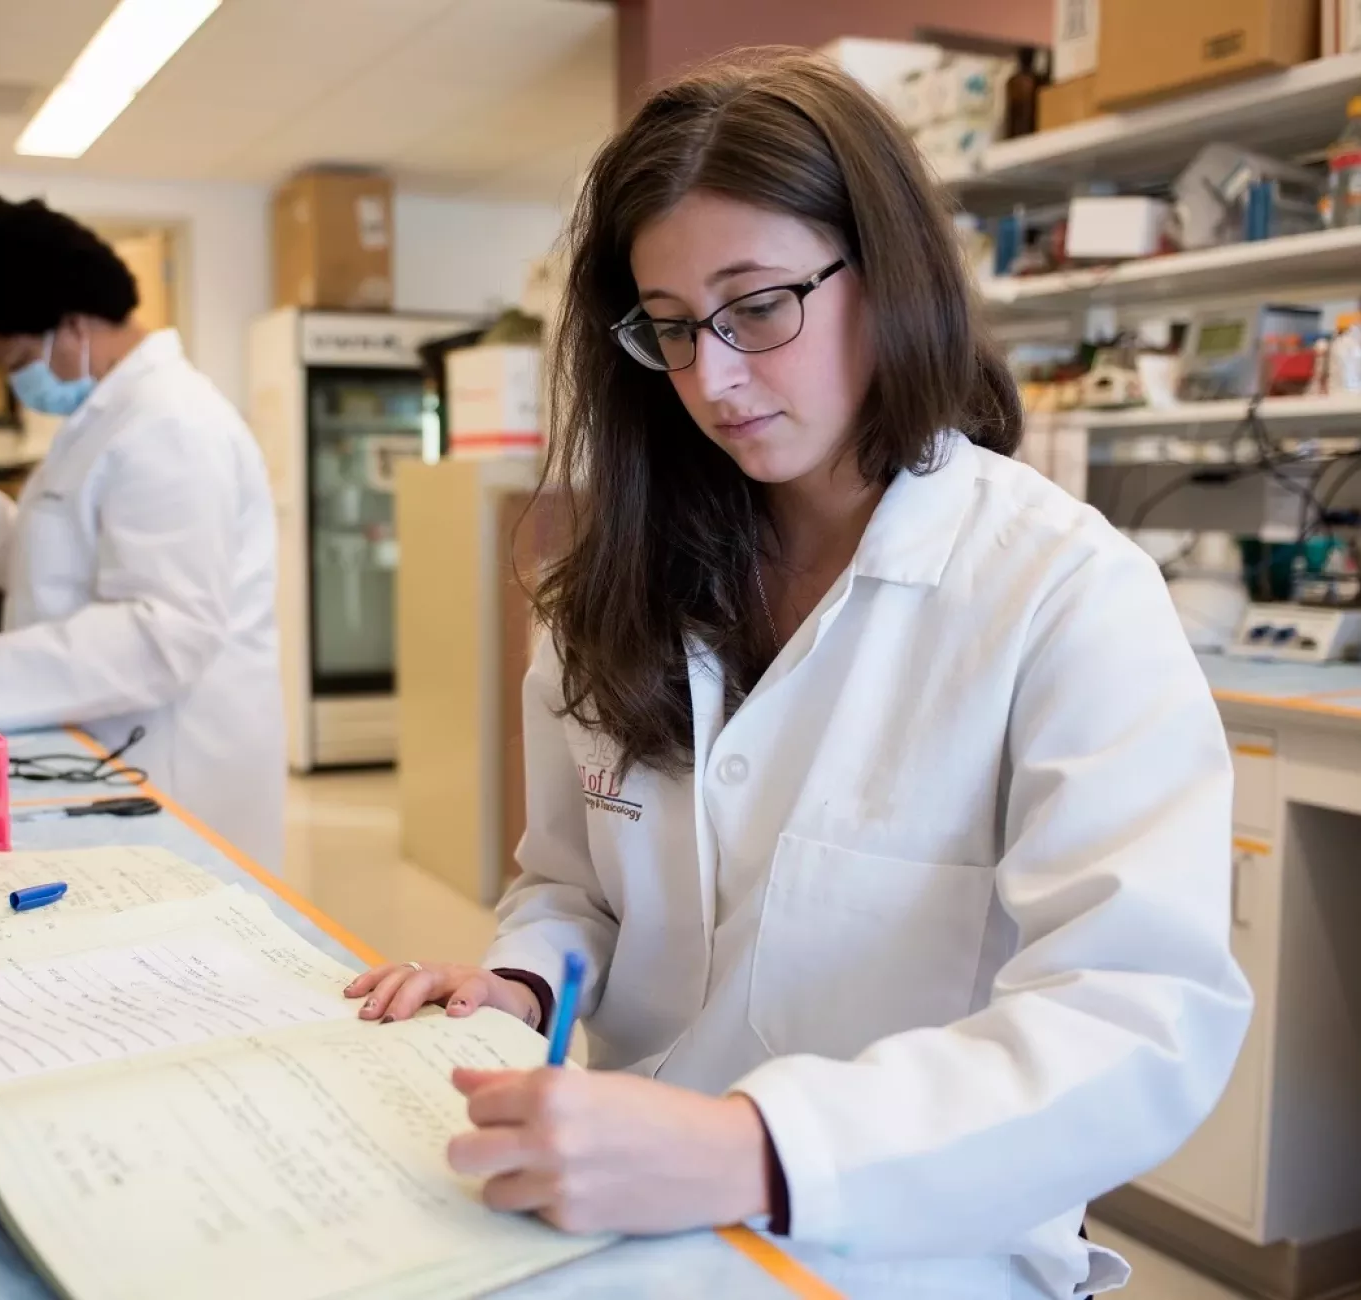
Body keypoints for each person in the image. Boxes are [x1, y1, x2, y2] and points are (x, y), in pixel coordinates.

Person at [345, 50, 1251, 1299]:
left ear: (885, 277)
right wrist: (517, 981)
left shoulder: (1056, 592)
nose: (709, 377)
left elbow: (1137, 1017)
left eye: (756, 305)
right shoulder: (615, 589)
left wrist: (759, 1148)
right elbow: (573, 889)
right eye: (666, 326)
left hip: (917, 1246)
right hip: (638, 1204)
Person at [0, 198, 285, 870]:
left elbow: (163, 633)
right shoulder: (103, 419)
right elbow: (57, 570)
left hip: (176, 768)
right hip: (109, 756)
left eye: (10, 358)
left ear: (71, 326)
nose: (11, 380)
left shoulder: (172, 425)